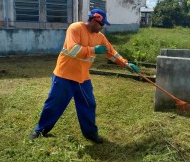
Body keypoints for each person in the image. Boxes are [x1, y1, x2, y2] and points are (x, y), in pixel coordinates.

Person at [29, 8, 139, 144]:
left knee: (89, 104)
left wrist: (126, 64)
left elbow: (111, 52)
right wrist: (93, 50)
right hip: (64, 75)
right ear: (94, 20)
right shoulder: (75, 28)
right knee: (54, 104)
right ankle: (40, 130)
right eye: (101, 24)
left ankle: (90, 134)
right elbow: (73, 49)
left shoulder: (99, 37)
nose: (102, 27)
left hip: (82, 78)